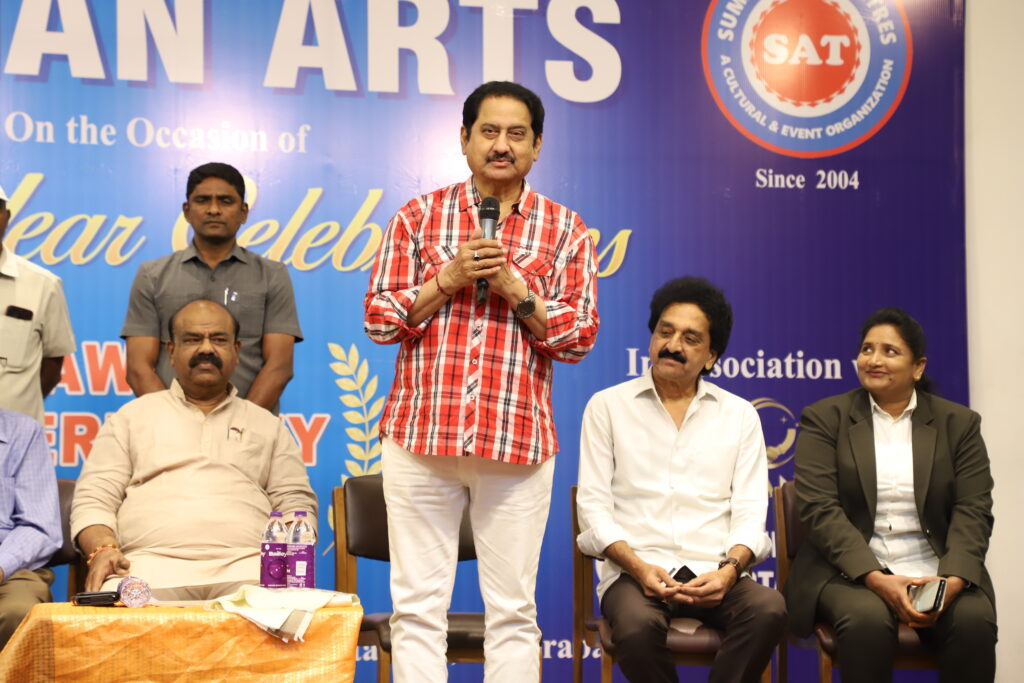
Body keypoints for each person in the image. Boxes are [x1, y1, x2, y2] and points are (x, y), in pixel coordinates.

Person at [364, 81, 600, 682]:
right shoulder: (417, 217)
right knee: (416, 609)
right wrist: (446, 280)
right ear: (464, 139)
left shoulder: (566, 229)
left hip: (516, 444)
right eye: (488, 132)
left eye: (517, 134)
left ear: (537, 146)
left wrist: (517, 290)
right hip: (420, 440)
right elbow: (380, 320)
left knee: (513, 612)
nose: (502, 145)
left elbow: (578, 338)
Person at [576, 276, 785, 683]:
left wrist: (728, 572)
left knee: (769, 609)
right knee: (636, 627)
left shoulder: (739, 415)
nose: (672, 345)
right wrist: (638, 567)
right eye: (665, 332)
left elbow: (749, 512)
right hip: (636, 573)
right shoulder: (607, 407)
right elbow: (593, 508)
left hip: (715, 571)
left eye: (691, 339)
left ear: (711, 356)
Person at [786, 307, 997, 682]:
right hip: (848, 573)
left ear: (918, 367)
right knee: (866, 620)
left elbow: (973, 510)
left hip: (936, 571)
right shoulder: (825, 418)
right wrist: (875, 577)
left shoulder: (959, 424)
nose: (874, 360)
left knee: (972, 621)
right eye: (867, 349)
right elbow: (820, 510)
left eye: (890, 351)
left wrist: (952, 581)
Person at [72, 299, 316, 600]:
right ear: (171, 352)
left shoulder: (267, 425)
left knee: (290, 610)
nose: (206, 349)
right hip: (147, 566)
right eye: (192, 339)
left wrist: (289, 557)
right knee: (116, 613)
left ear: (237, 351)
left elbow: (294, 501)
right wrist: (103, 549)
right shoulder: (130, 418)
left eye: (219, 339)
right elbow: (94, 498)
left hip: (250, 567)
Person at [121, 162, 301, 413]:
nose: (214, 210)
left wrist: (239, 425)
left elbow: (279, 367)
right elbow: (138, 368)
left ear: (244, 212)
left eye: (226, 201)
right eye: (203, 200)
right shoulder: (152, 275)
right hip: (168, 431)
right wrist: (174, 424)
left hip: (250, 429)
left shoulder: (272, 276)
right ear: (187, 211)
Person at [0, 183, 76, 423]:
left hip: (16, 440)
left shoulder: (43, 284)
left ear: (7, 216)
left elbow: (53, 364)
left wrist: (18, 418)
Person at [0, 408, 62, 647]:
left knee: (19, 611)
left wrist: (2, 564)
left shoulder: (23, 432)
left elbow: (38, 525)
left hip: (9, 567)